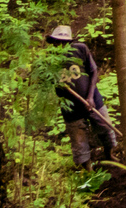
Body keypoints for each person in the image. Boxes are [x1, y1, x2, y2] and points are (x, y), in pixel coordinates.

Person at [47, 24, 116, 168]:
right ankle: (87, 171)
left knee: (106, 128)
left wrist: (90, 97)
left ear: (69, 42)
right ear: (53, 42)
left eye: (63, 42)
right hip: (70, 106)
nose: (60, 45)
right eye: (57, 41)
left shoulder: (80, 49)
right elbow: (51, 83)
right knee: (79, 140)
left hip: (92, 99)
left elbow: (93, 70)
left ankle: (110, 155)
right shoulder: (50, 60)